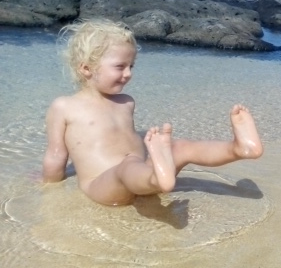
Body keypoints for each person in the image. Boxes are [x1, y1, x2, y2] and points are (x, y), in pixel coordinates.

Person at [42, 18, 263, 206]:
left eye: (131, 66)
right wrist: (50, 187)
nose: (128, 74)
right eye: (120, 66)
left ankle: (238, 148)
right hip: (102, 185)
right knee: (126, 166)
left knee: (181, 147)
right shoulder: (64, 106)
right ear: (86, 68)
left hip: (141, 174)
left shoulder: (126, 102)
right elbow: (56, 155)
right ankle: (158, 177)